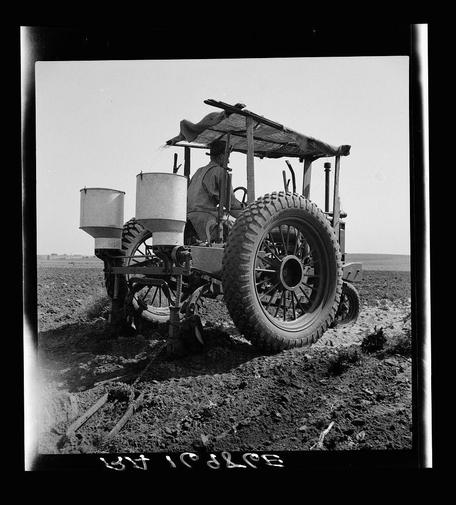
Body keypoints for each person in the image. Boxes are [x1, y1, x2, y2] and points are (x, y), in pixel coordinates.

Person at [186, 140, 244, 243]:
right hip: (206, 217)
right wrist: (245, 207)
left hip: (189, 217)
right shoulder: (220, 172)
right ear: (222, 156)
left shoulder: (199, 171)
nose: (228, 161)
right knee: (243, 228)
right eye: (228, 157)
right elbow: (230, 203)